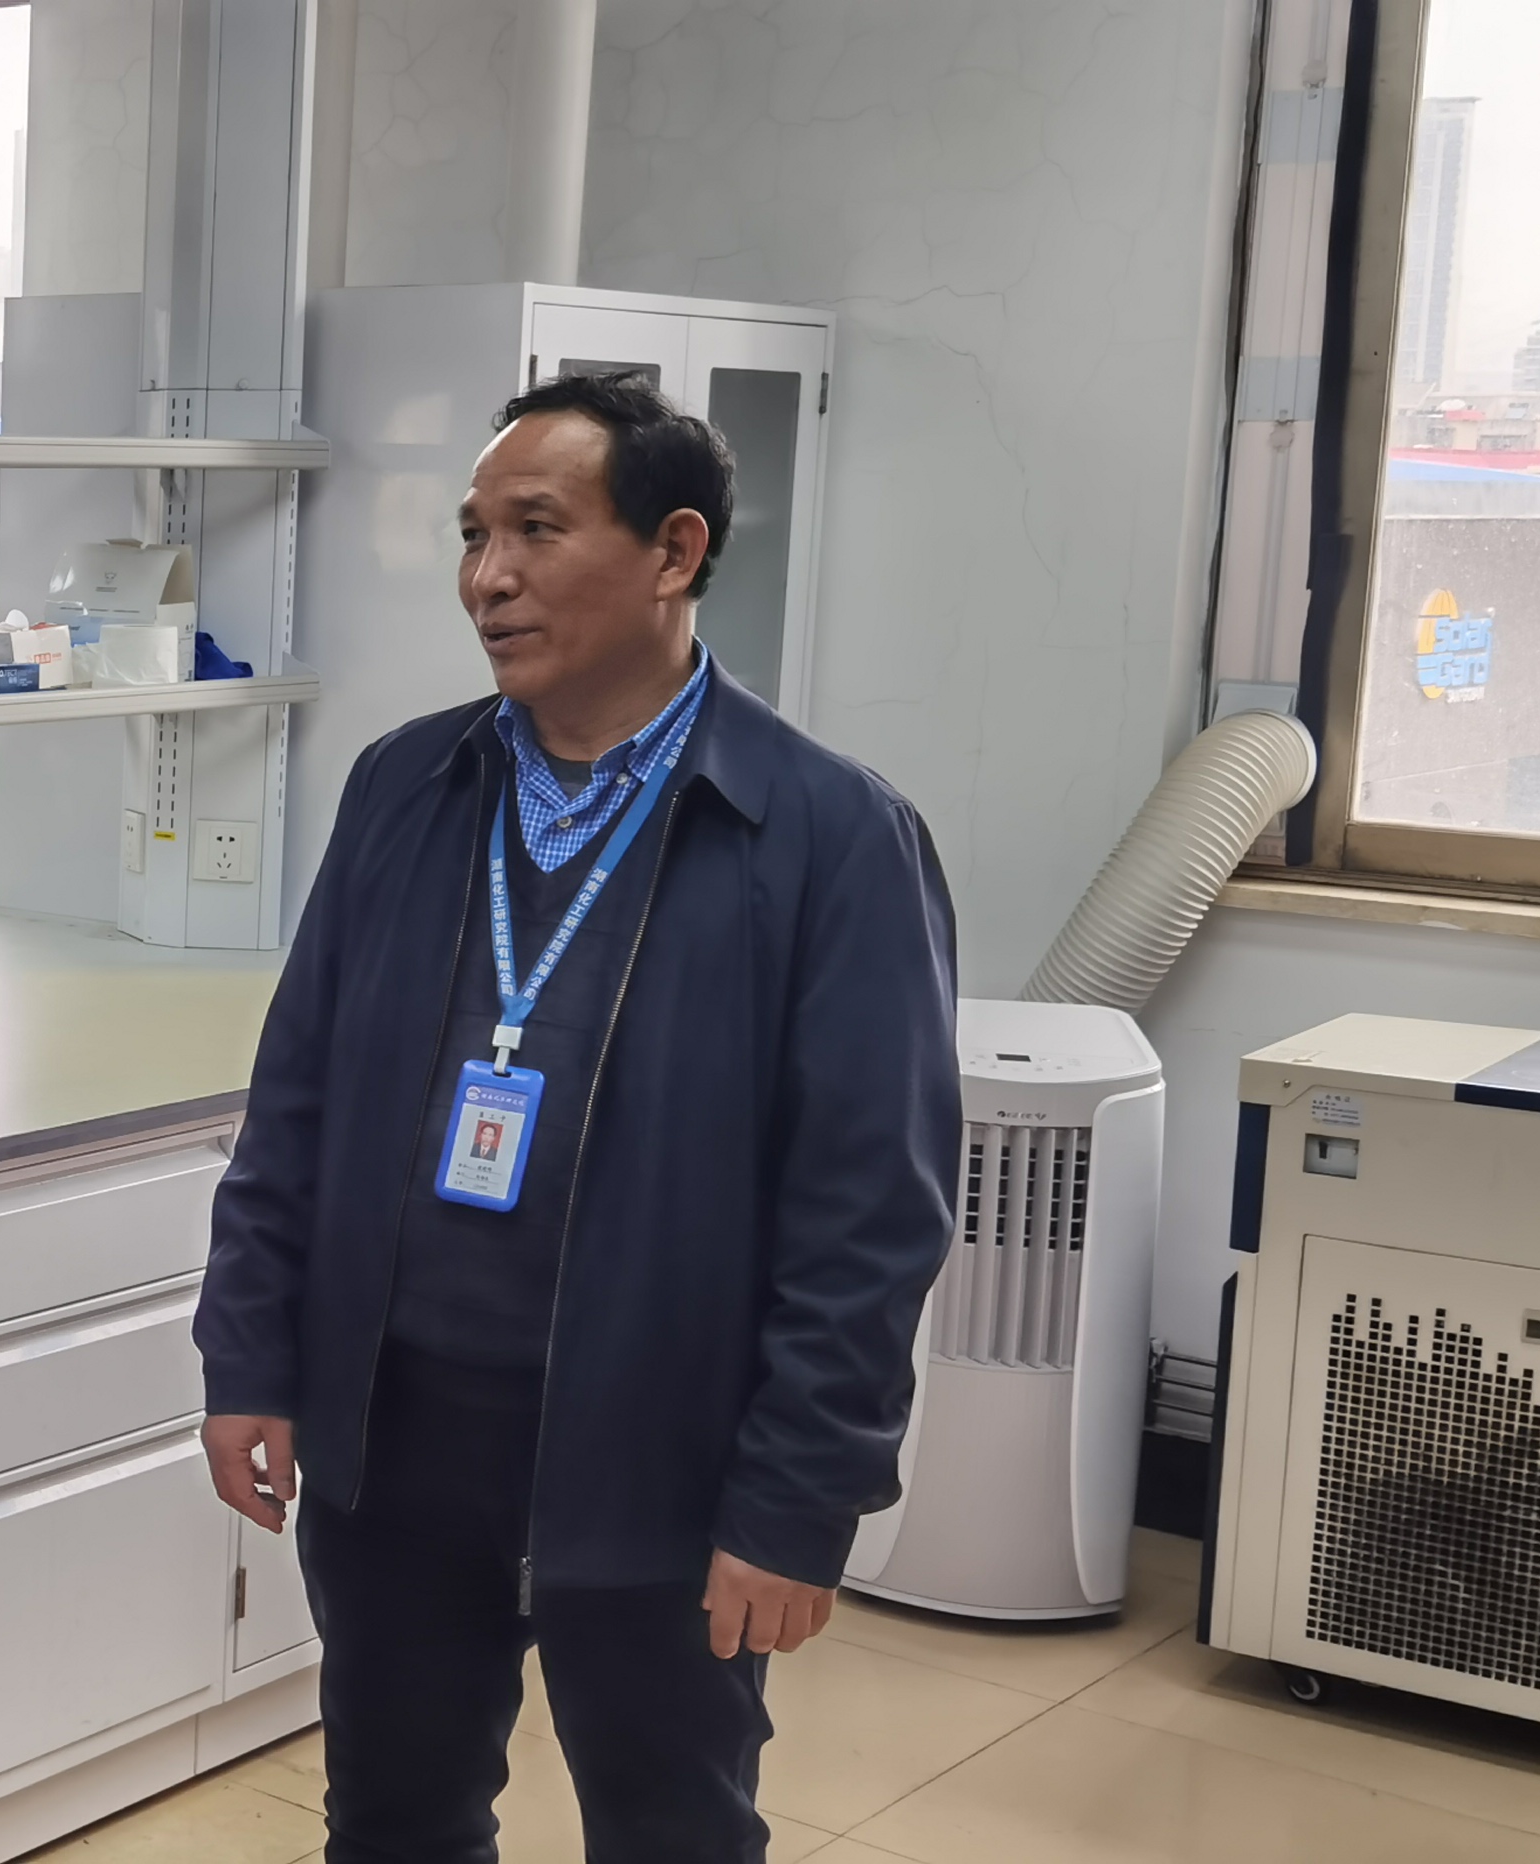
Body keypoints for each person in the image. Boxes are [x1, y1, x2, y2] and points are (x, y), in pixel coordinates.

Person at [194, 372, 960, 1861]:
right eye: (474, 535)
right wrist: (250, 1352)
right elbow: (295, 1104)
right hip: (397, 1437)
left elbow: (871, 1216)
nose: (489, 577)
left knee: (671, 1830)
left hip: (660, 1454)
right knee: (394, 1822)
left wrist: (796, 1504)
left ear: (674, 552)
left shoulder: (827, 836)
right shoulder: (409, 786)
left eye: (537, 530)